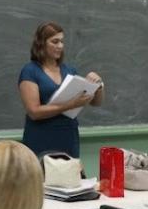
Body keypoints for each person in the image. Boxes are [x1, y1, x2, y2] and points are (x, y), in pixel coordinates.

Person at [17, 21, 104, 158]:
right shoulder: (30, 71)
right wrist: (71, 104)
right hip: (40, 137)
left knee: (69, 177)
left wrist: (99, 86)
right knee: (41, 177)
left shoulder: (69, 71)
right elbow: (34, 112)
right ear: (41, 43)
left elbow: (95, 103)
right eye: (55, 42)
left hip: (68, 137)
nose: (60, 46)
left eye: (62, 42)